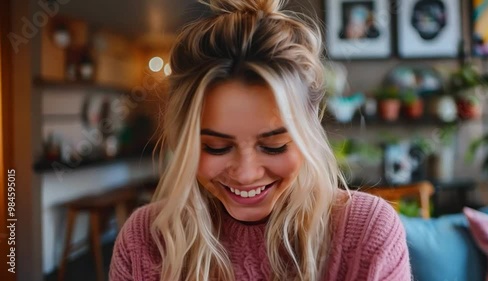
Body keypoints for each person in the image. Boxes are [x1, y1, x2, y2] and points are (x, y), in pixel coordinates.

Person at [109, 0, 411, 280]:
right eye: (216, 147)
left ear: (310, 128)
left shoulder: (366, 231)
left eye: (273, 146)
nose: (245, 173)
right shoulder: (144, 241)